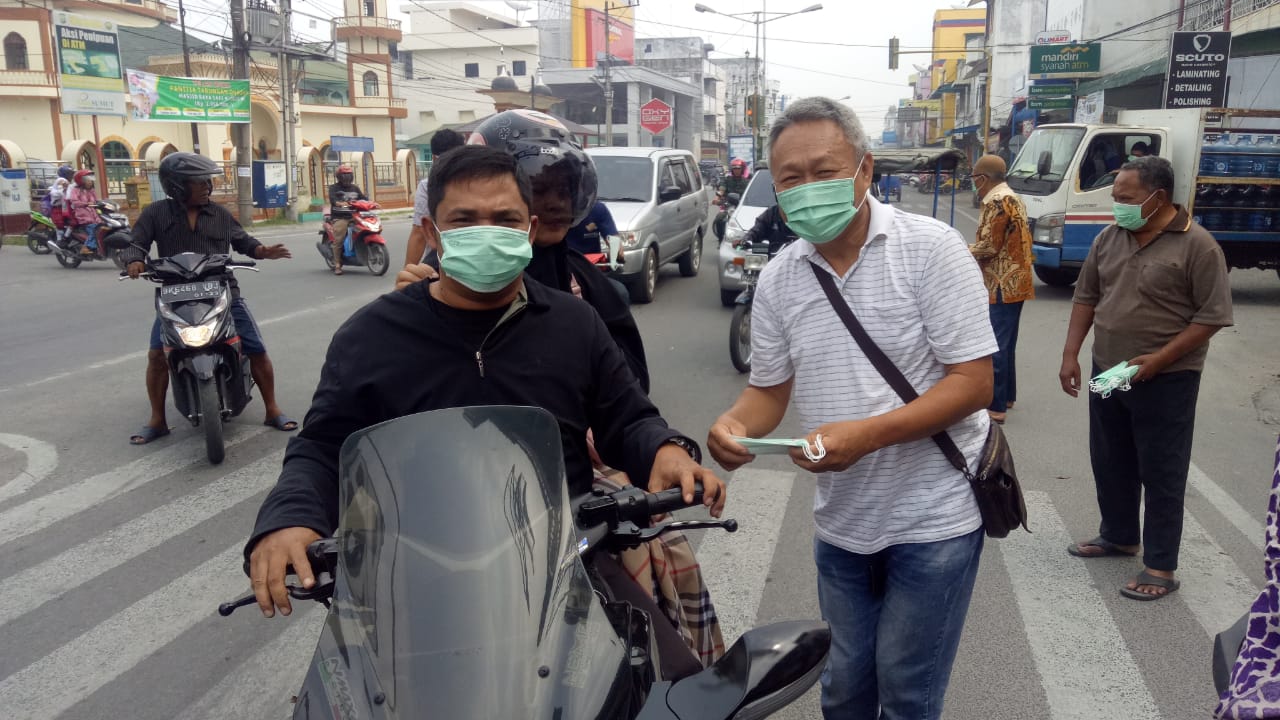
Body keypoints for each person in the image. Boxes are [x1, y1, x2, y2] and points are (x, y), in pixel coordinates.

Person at [244, 145, 726, 679]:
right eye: (465, 220)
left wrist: (666, 451)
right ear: (432, 231)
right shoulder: (371, 335)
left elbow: (627, 418)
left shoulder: (575, 324)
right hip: (413, 579)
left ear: (529, 228)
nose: (486, 231)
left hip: (562, 568)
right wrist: (289, 518)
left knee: (680, 687)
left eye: (504, 219)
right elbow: (322, 445)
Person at [707, 97, 996, 719]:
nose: (807, 188)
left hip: (934, 520)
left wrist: (867, 436)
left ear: (864, 172)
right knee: (842, 689)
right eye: (791, 178)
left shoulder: (931, 250)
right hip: (842, 526)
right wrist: (733, 427)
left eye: (824, 171)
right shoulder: (783, 276)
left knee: (905, 691)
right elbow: (769, 391)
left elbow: (973, 383)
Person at [1061, 155, 1234, 600]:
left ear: (1159, 198)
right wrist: (1071, 355)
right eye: (1116, 197)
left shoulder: (1198, 246)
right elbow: (1086, 297)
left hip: (1168, 375)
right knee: (1110, 456)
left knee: (1161, 469)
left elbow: (1211, 317)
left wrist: (1157, 359)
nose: (1118, 206)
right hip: (1111, 370)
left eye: (1127, 198)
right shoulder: (1109, 238)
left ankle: (1160, 566)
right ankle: (1118, 535)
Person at [398, 109, 650, 393]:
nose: (556, 204)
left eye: (564, 190)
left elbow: (632, 389)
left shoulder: (584, 281)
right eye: (537, 190)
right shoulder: (438, 276)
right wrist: (415, 309)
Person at [121, 152, 296, 445]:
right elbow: (135, 243)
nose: (207, 186)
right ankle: (157, 419)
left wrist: (262, 251)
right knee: (156, 356)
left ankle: (271, 408)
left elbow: (243, 241)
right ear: (176, 186)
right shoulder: (155, 214)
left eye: (207, 181)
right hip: (175, 296)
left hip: (222, 290)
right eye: (199, 181)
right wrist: (133, 261)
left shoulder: (220, 214)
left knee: (255, 348)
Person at [970, 154, 1034, 424]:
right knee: (1007, 344)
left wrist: (960, 251)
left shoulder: (997, 201)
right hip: (1016, 280)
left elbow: (988, 246)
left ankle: (996, 406)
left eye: (975, 180)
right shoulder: (1013, 197)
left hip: (1001, 283)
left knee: (996, 345)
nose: (974, 185)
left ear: (983, 179)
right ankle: (1006, 395)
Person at [404, 128, 467, 268]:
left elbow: (419, 233)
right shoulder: (478, 183)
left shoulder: (428, 186)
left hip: (440, 265)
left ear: (434, 158)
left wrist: (407, 274)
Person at [326, 165, 367, 276]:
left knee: (366, 229)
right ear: (339, 176)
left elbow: (363, 198)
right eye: (344, 175)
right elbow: (333, 200)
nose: (347, 177)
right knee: (338, 239)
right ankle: (337, 264)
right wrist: (339, 203)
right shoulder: (334, 188)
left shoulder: (355, 188)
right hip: (340, 217)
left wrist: (371, 203)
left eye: (349, 175)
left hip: (355, 216)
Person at [67, 169, 100, 255]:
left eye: (91, 180)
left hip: (95, 216)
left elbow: (97, 201)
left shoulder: (91, 190)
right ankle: (85, 247)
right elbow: (74, 201)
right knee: (95, 229)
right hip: (84, 216)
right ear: (81, 181)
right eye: (88, 180)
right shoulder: (75, 190)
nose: (90, 182)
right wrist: (86, 204)